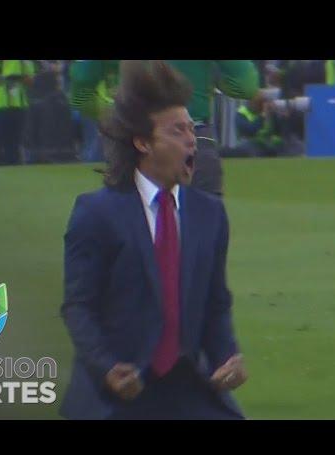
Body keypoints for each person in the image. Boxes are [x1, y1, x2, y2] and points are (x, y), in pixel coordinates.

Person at [60, 61, 248, 420]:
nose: (191, 139)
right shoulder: (96, 213)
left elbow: (215, 304)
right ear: (143, 142)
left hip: (187, 386)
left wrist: (228, 357)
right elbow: (78, 307)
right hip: (118, 392)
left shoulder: (209, 215)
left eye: (191, 128)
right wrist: (108, 367)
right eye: (177, 132)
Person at [69, 60, 262, 196]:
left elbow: (81, 94)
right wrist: (211, 83)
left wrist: (120, 114)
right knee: (203, 234)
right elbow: (245, 85)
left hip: (136, 140)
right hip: (193, 136)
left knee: (134, 236)